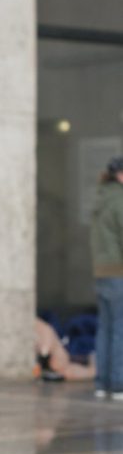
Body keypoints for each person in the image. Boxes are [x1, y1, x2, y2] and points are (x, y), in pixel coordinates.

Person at [90, 156, 123, 400]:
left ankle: (102, 383)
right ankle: (118, 383)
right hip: (118, 272)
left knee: (105, 328)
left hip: (101, 271)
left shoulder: (100, 199)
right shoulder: (120, 200)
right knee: (119, 329)